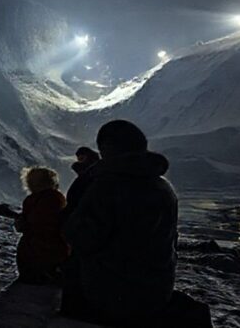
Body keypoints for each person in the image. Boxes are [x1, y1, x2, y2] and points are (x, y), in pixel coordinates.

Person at [62, 120, 178, 326]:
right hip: (157, 292)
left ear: (107, 148)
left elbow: (82, 238)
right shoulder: (163, 187)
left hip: (110, 293)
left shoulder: (106, 186)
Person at [15, 167, 69, 284]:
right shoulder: (56, 198)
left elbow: (34, 223)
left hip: (31, 252)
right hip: (50, 252)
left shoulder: (32, 199)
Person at [61, 146, 100, 225]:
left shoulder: (94, 178)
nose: (79, 163)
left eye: (82, 159)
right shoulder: (85, 178)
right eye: (79, 160)